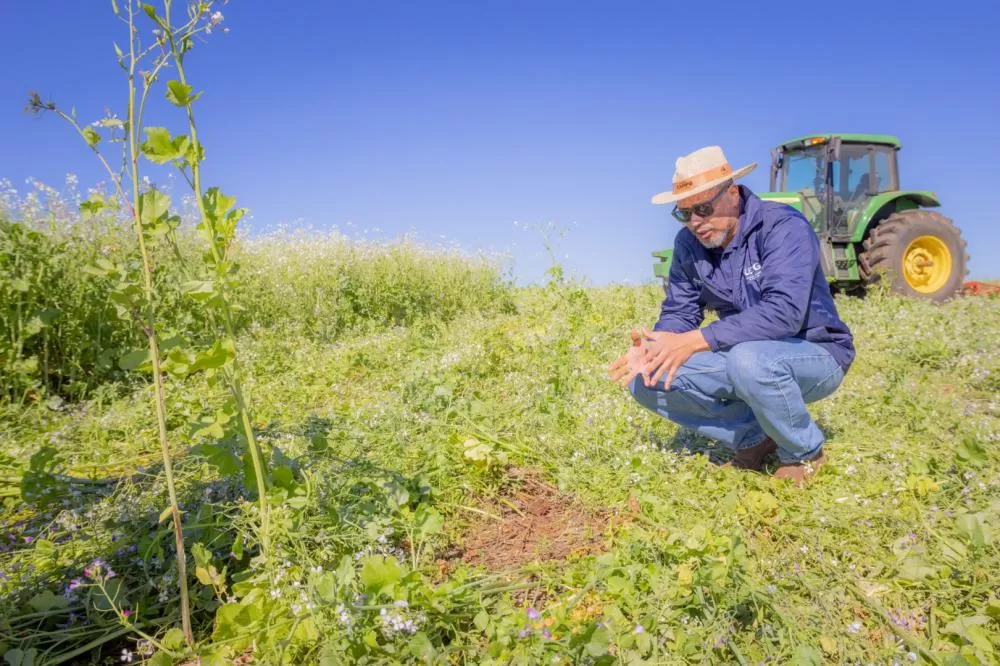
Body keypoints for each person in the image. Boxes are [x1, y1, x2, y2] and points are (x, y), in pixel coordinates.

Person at [609, 145, 855, 486]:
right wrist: (658, 344)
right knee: (646, 377)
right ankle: (755, 438)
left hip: (815, 351)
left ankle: (803, 452)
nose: (695, 223)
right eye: (684, 214)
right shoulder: (688, 245)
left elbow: (784, 313)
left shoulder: (782, 226)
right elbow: (680, 311)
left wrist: (697, 340)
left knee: (749, 360)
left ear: (733, 193)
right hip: (745, 355)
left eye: (703, 208)